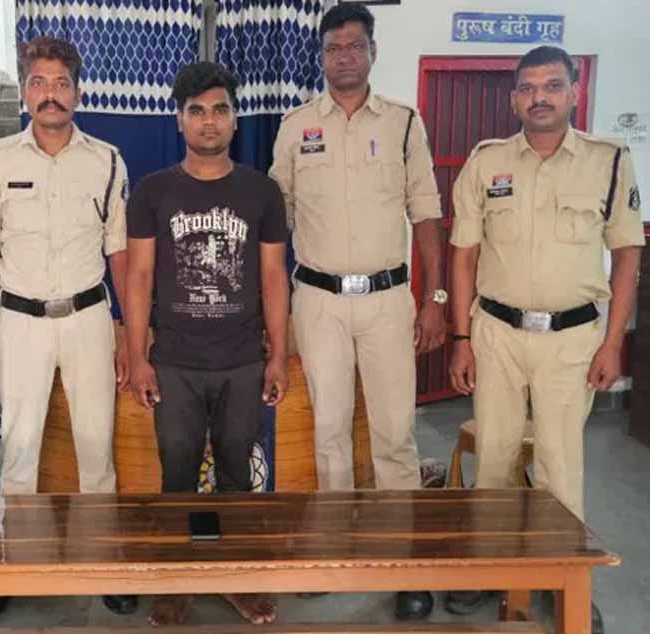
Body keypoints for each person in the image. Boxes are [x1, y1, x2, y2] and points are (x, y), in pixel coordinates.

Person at [447, 45, 644, 633]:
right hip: (497, 334)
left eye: (552, 86)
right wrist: (461, 337)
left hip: (572, 339)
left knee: (560, 466)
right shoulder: (486, 162)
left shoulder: (609, 161)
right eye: (528, 88)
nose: (540, 98)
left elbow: (627, 256)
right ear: (514, 98)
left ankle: (564, 580)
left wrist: (613, 342)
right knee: (495, 459)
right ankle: (492, 571)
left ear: (574, 92)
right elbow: (464, 255)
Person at [268, 3, 446, 620]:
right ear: (320, 56)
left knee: (395, 435)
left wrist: (434, 299)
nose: (343, 56)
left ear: (372, 51)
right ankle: (333, 552)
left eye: (354, 45)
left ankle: (402, 564)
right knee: (330, 433)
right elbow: (276, 220)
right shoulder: (295, 127)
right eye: (332, 48)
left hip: (387, 301)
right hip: (317, 301)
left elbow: (427, 214)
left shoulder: (403, 123)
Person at [0, 35, 136, 624]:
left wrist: (125, 330)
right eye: (38, 83)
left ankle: (101, 563)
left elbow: (118, 253)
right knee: (19, 449)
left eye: (61, 83)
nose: (50, 94)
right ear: (25, 92)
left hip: (89, 318)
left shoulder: (107, 160)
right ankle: (17, 566)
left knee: (96, 447)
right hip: (20, 322)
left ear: (78, 92)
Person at [126, 61, 290, 627]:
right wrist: (136, 357)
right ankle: (178, 583)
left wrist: (277, 356)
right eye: (196, 111)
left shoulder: (261, 191)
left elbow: (273, 277)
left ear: (235, 118)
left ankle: (234, 580)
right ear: (180, 120)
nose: (209, 121)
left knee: (237, 477)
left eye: (220, 109)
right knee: (176, 475)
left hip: (242, 360)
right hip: (174, 362)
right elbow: (138, 277)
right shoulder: (153, 191)